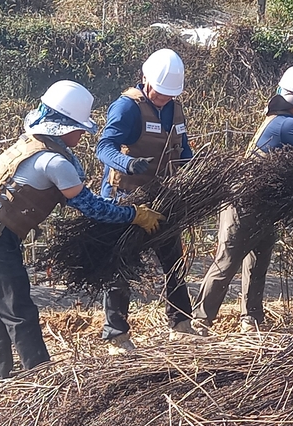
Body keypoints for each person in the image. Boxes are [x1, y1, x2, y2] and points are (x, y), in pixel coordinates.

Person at [0, 80, 165, 385]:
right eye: (79, 128)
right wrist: (134, 215)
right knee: (19, 310)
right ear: (61, 126)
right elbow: (92, 208)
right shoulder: (54, 161)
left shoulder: (31, 143)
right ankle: (43, 382)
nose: (83, 134)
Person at [191, 65, 293, 334]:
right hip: (244, 202)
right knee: (228, 260)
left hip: (261, 204)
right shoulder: (289, 125)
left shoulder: (276, 120)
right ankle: (200, 319)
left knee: (258, 259)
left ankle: (250, 318)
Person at [95, 48, 195, 351]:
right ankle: (116, 334)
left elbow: (183, 148)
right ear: (145, 79)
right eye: (160, 91)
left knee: (173, 262)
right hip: (127, 199)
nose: (164, 97)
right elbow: (104, 147)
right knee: (121, 266)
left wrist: (194, 166)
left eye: (169, 93)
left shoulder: (175, 109)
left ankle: (181, 322)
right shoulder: (127, 108)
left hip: (163, 196)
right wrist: (127, 164)